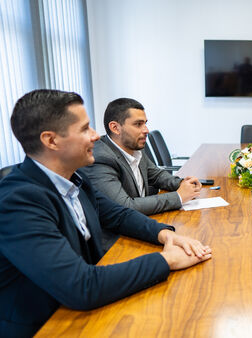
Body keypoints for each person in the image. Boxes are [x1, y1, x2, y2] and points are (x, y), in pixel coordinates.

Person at [0, 89, 212, 337]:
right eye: (85, 129)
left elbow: (118, 215)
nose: (96, 137)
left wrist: (165, 235)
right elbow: (80, 286)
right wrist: (167, 260)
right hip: (46, 325)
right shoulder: (18, 202)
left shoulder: (75, 178)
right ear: (51, 140)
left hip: (85, 311)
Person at [82, 98, 201, 216]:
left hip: (145, 220)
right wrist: (179, 196)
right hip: (121, 232)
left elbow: (156, 175)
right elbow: (124, 206)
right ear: (115, 128)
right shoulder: (100, 158)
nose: (146, 130)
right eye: (138, 124)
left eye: (145, 123)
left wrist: (183, 184)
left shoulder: (134, 147)